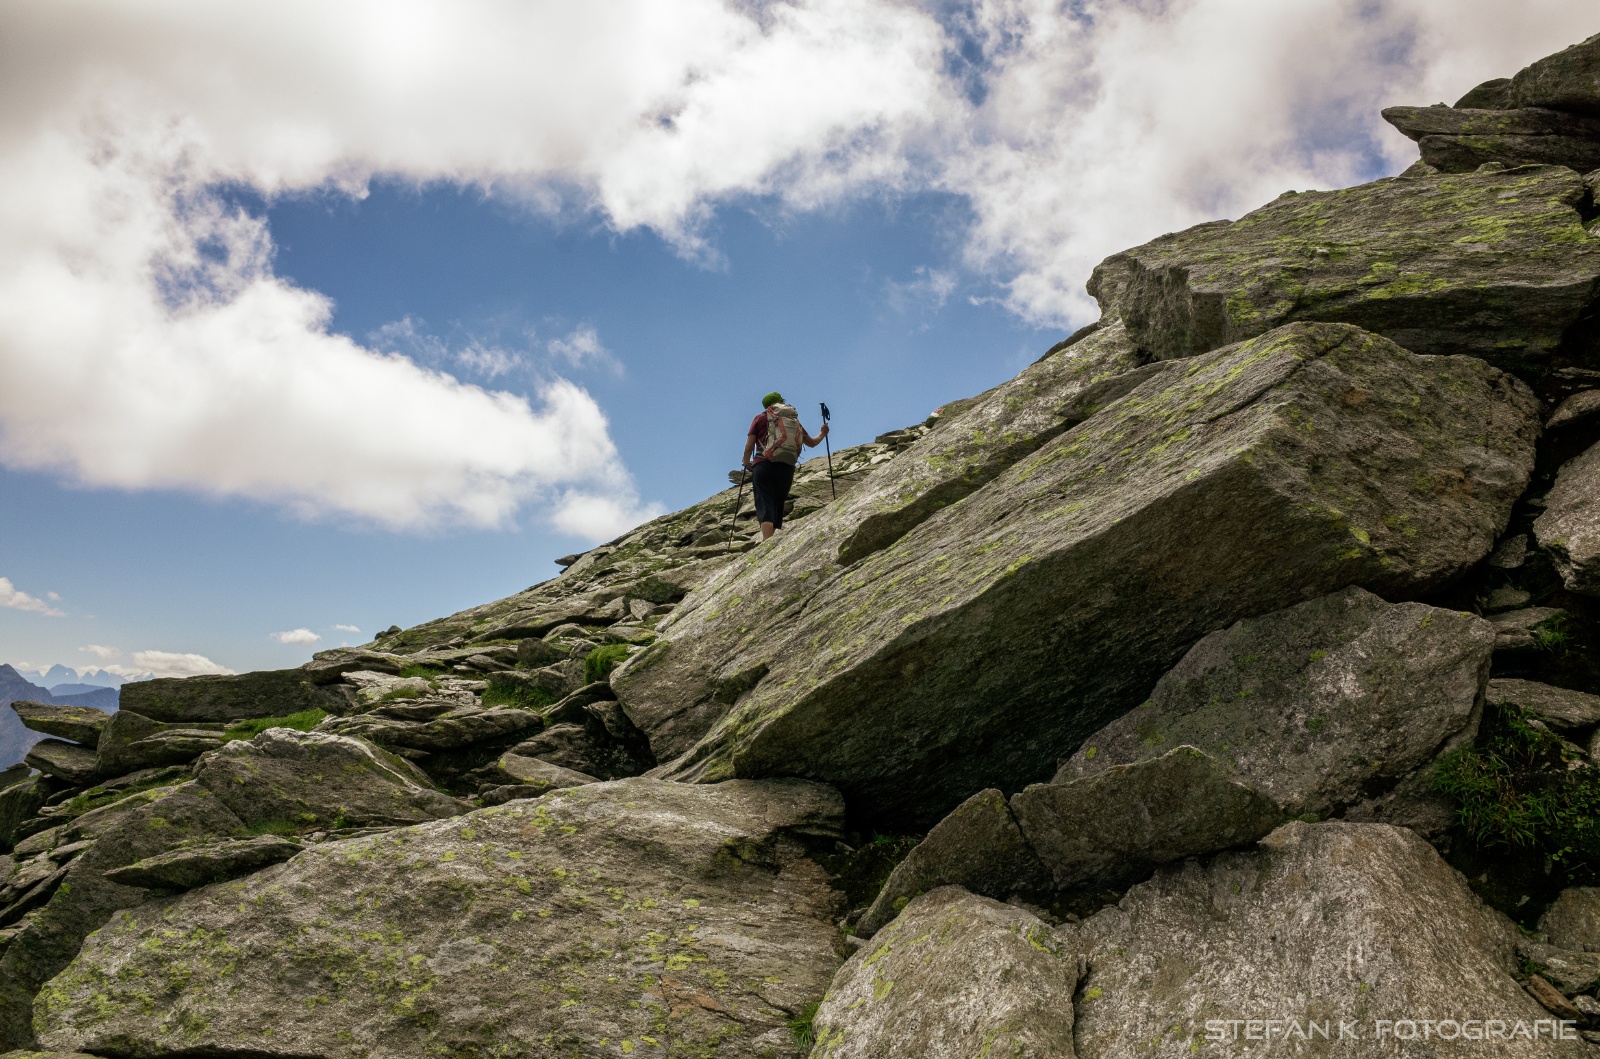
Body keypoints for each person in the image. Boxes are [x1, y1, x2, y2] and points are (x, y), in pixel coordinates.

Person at [742, 391, 828, 541]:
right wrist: (823, 433)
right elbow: (812, 443)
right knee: (778, 502)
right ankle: (773, 539)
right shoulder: (792, 421)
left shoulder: (760, 418)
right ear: (781, 402)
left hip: (763, 464)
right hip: (786, 467)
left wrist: (746, 461)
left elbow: (749, 446)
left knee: (765, 501)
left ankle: (767, 541)